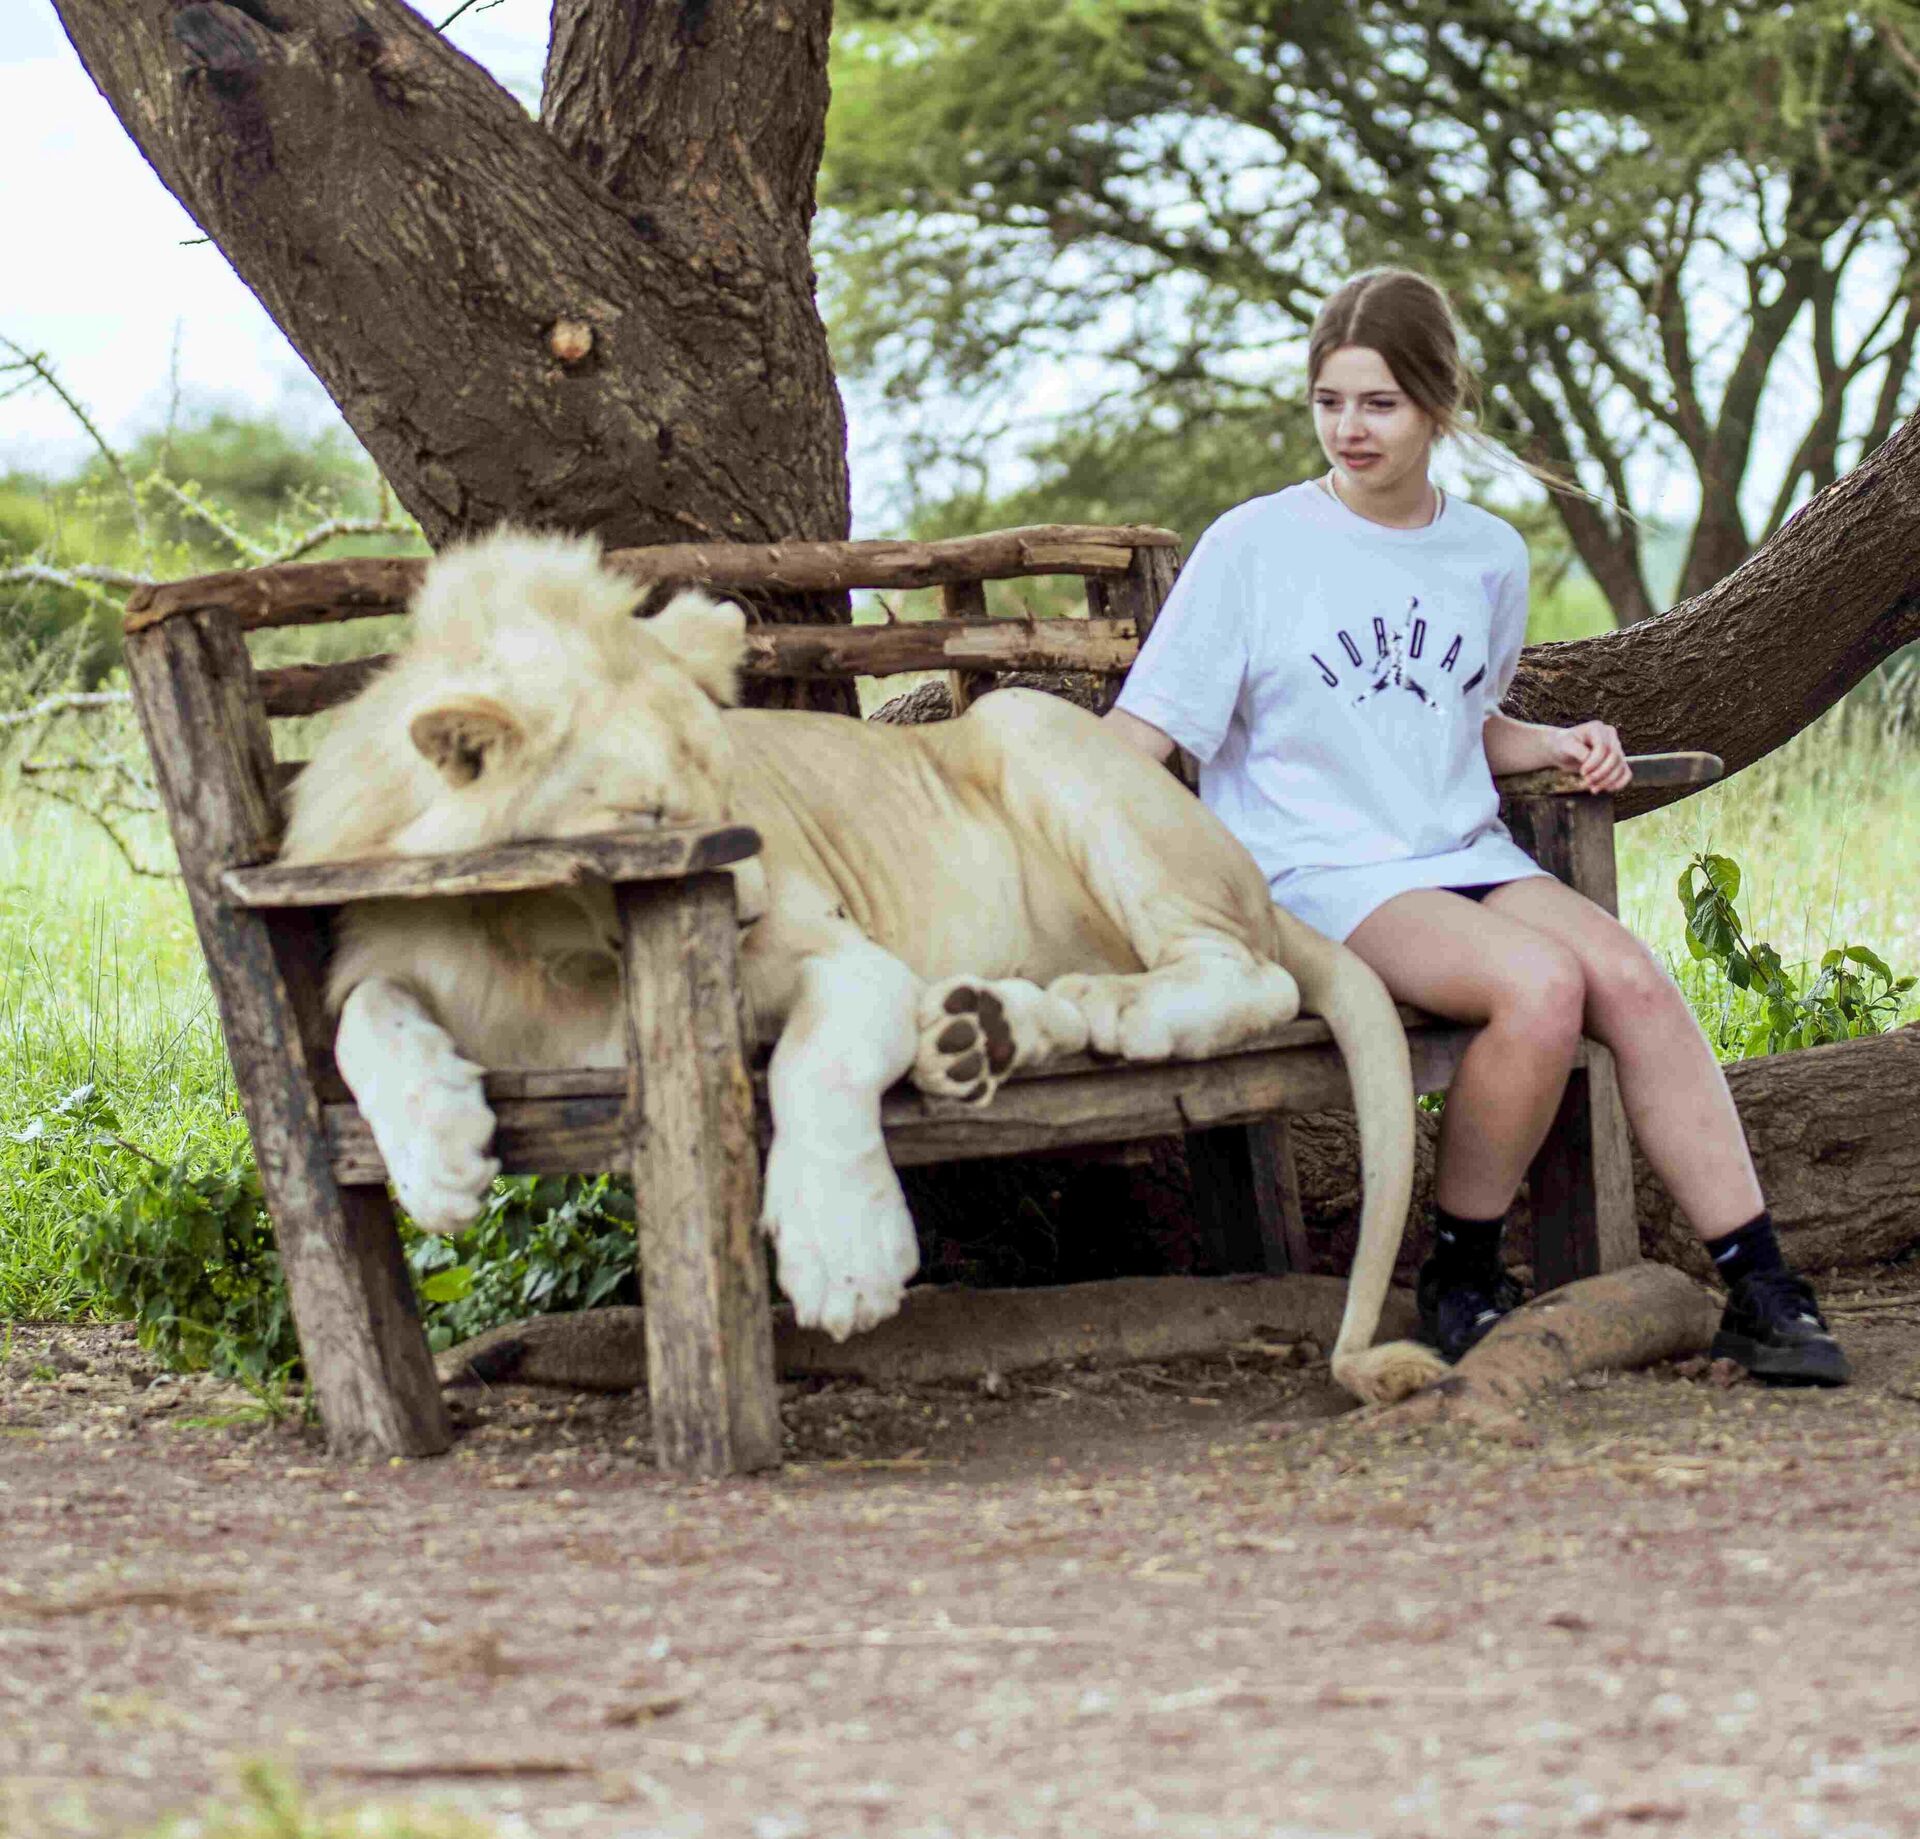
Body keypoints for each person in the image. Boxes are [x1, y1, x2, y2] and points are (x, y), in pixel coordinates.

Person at [1103, 268, 1848, 1386]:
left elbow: (1450, 718)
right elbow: (1147, 733)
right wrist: (1039, 820)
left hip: (1456, 848)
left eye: (1379, 404)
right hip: (1316, 871)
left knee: (1636, 982)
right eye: (1329, 402)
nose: (1349, 429)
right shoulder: (1257, 548)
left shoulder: (1487, 556)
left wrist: (1550, 743)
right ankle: (1461, 1273)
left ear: (1439, 406)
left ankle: (1761, 1284)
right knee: (1539, 987)